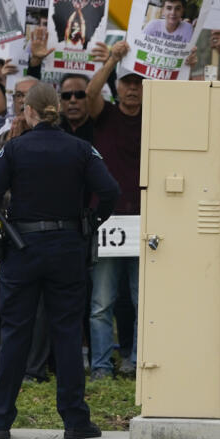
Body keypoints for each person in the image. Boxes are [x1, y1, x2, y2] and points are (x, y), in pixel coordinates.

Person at [0, 82, 119, 439]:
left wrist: (4, 220)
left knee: (14, 333)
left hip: (22, 248)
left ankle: (0, 421)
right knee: (68, 333)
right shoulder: (80, 148)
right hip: (67, 247)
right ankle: (75, 421)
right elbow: (110, 192)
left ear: (27, 111)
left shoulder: (13, 149)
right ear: (57, 108)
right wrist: (91, 221)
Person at [85, 41, 143, 380]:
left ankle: (137, 362)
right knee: (101, 303)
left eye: (139, 83)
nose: (133, 89)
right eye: (127, 82)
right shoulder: (105, 115)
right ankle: (103, 366)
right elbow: (92, 94)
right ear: (117, 86)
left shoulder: (158, 114)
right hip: (106, 220)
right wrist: (112, 60)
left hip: (144, 219)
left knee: (142, 302)